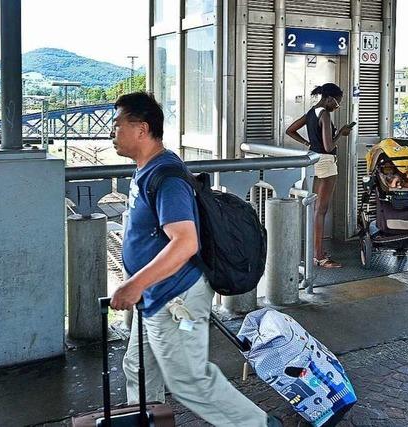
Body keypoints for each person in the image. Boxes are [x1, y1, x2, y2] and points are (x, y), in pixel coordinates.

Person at [108, 92, 280, 427]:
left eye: (117, 126)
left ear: (141, 129)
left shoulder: (166, 177)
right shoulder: (147, 169)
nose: (112, 134)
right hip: (158, 295)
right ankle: (147, 421)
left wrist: (134, 284)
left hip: (176, 298)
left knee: (190, 382)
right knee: (139, 366)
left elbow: (185, 243)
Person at [285, 83, 351, 268]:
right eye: (337, 102)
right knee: (321, 210)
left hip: (314, 160)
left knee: (316, 209)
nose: (337, 106)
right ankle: (319, 256)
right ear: (329, 98)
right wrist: (342, 133)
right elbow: (329, 146)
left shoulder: (311, 112)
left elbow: (290, 130)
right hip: (326, 163)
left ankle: (316, 252)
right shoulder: (324, 114)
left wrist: (307, 143)